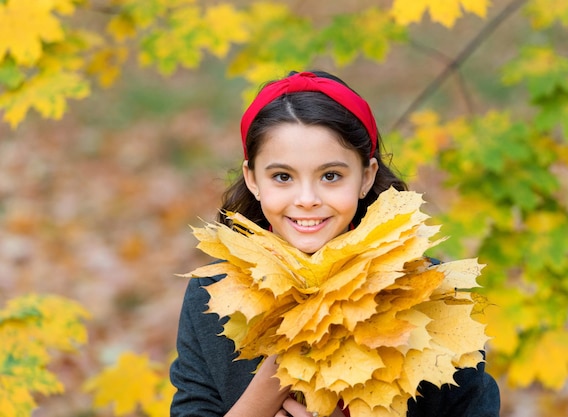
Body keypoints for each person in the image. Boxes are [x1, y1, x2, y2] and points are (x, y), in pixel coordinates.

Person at [170, 70, 501, 417]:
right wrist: (276, 376)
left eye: (331, 176)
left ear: (366, 176)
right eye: (282, 177)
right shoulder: (214, 291)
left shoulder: (426, 290)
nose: (307, 199)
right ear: (253, 179)